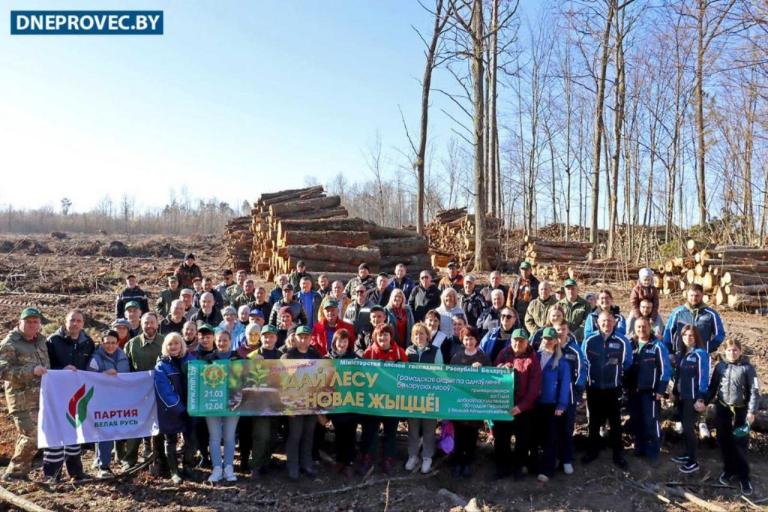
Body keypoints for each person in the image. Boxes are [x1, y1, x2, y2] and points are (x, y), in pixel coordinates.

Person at [44, 309, 95, 481]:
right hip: (56, 393)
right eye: (72, 320)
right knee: (55, 431)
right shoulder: (53, 341)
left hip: (77, 394)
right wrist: (61, 370)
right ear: (65, 322)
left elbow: (90, 367)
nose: (75, 323)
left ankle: (76, 472)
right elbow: (46, 366)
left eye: (79, 321)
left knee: (74, 429)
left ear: (83, 323)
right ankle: (52, 474)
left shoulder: (88, 342)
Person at [0, 308, 50, 481]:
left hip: (41, 397)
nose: (32, 325)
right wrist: (31, 371)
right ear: (20, 322)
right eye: (28, 322)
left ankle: (21, 470)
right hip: (21, 399)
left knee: (34, 435)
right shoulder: (10, 343)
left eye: (36, 322)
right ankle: (14, 472)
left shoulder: (41, 341)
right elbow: (3, 370)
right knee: (32, 435)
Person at [707, 339, 759, 496]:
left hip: (741, 411)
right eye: (729, 350)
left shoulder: (747, 368)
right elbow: (713, 387)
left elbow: (754, 391)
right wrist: (704, 401)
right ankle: (728, 470)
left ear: (740, 351)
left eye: (735, 350)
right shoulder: (720, 366)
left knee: (740, 444)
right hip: (723, 408)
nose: (732, 353)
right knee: (724, 441)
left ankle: (744, 477)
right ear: (725, 351)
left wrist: (751, 411)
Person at [581, 311, 632, 469]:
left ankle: (618, 454)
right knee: (594, 421)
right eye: (603, 321)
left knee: (615, 422)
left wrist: (616, 376)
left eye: (609, 321)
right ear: (597, 323)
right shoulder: (590, 340)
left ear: (614, 322)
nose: (606, 324)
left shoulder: (622, 341)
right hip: (594, 388)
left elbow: (627, 362)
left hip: (613, 388)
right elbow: (583, 362)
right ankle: (592, 451)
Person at [492, 329, 542, 480]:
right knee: (501, 438)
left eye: (521, 341)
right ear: (511, 340)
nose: (518, 343)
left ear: (527, 342)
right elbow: (493, 374)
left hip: (523, 408)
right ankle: (502, 466)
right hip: (503, 404)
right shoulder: (503, 353)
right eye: (515, 340)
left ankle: (518, 467)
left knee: (522, 440)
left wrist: (521, 407)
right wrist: (501, 368)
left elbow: (534, 388)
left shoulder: (532, 359)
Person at [359, 324, 407, 475]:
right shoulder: (369, 353)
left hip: (392, 401)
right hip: (373, 401)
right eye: (380, 335)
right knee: (370, 431)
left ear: (391, 336)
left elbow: (406, 376)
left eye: (386, 334)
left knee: (390, 432)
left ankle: (388, 460)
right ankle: (367, 458)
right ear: (375, 336)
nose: (383, 338)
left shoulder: (400, 353)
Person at [625, 317, 671, 465]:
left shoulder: (657, 346)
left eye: (644, 326)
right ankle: (639, 448)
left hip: (650, 392)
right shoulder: (630, 345)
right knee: (636, 420)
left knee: (651, 421)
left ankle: (653, 452)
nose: (641, 329)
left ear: (649, 327)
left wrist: (660, 389)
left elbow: (665, 370)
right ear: (634, 328)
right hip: (633, 391)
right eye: (638, 327)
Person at [123, 313, 165, 473]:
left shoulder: (165, 341)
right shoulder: (132, 344)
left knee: (159, 427)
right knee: (135, 424)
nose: (149, 326)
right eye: (146, 323)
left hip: (160, 391)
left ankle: (159, 459)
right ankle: (130, 459)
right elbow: (125, 368)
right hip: (138, 392)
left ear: (157, 324)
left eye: (152, 322)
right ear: (141, 324)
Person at [154, 332, 196, 484]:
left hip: (192, 407)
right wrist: (180, 408)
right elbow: (164, 391)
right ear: (165, 346)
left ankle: (188, 467)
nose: (173, 346)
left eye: (176, 343)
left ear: (181, 344)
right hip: (171, 409)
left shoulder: (192, 361)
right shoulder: (161, 366)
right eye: (170, 344)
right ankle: (174, 471)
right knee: (171, 440)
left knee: (191, 439)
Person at [88, 330, 131, 479]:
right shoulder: (95, 358)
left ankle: (110, 458)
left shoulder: (123, 356)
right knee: (105, 431)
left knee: (117, 429)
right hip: (101, 400)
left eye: (113, 343)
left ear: (118, 343)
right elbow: (87, 377)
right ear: (102, 343)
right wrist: (103, 375)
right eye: (107, 343)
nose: (110, 346)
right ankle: (103, 466)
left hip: (120, 399)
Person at [449, 327, 490, 477]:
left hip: (475, 404)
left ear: (476, 340)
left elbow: (491, 380)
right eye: (466, 339)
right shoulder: (456, 357)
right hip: (459, 403)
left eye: (471, 338)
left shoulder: (483, 358)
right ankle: (457, 462)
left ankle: (468, 463)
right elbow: (451, 378)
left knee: (471, 435)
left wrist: (482, 371)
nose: (469, 342)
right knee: (459, 434)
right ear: (462, 340)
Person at [281, 326, 321, 480]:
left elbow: (322, 377)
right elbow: (282, 382)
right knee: (295, 435)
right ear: (295, 338)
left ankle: (306, 464)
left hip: (311, 401)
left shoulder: (315, 355)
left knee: (309, 434)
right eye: (300, 337)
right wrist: (288, 405)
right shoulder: (288, 356)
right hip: (294, 403)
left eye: (306, 337)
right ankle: (293, 466)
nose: (303, 340)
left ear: (310, 339)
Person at [532, 327, 570, 482]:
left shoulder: (561, 361)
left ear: (556, 341)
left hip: (551, 404)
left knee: (551, 437)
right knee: (535, 435)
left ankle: (547, 469)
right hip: (535, 403)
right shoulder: (536, 356)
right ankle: (534, 465)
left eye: (551, 339)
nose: (548, 341)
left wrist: (561, 405)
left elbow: (565, 384)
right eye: (545, 338)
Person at [671, 325, 709, 474]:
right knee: (685, 428)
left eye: (691, 335)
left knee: (688, 428)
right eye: (685, 335)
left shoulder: (700, 354)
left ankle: (693, 462)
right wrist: (675, 391)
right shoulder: (682, 354)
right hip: (682, 396)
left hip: (692, 397)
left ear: (696, 337)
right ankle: (687, 454)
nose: (688, 338)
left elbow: (704, 377)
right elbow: (678, 376)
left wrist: (700, 398)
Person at [203, 330, 241, 482]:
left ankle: (229, 467)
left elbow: (246, 376)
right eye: (219, 340)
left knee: (230, 436)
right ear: (214, 341)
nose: (222, 343)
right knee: (214, 436)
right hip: (212, 402)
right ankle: (217, 468)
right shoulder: (208, 359)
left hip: (233, 403)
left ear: (230, 341)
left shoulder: (238, 358)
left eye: (225, 340)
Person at [405, 323, 441, 474]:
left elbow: (440, 374)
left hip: (430, 395)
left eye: (422, 333)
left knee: (429, 428)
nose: (419, 337)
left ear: (427, 335)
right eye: (416, 334)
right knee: (413, 428)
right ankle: (413, 455)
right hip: (412, 397)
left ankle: (427, 457)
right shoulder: (408, 351)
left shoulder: (435, 351)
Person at [554, 322, 588, 475]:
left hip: (569, 397)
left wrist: (577, 391)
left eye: (563, 329)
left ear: (567, 331)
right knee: (554, 429)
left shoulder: (574, 349)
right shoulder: (550, 348)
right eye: (557, 329)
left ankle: (567, 459)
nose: (560, 332)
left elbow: (582, 370)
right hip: (552, 397)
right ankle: (555, 457)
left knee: (567, 428)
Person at [325, 330, 359, 477]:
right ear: (334, 342)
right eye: (340, 341)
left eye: (345, 341)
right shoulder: (327, 359)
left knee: (350, 433)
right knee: (339, 433)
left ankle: (349, 462)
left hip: (351, 403)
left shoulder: (355, 359)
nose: (342, 344)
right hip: (334, 403)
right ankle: (339, 460)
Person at [664, 283, 725, 355]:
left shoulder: (711, 314)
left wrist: (708, 347)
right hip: (680, 354)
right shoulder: (678, 312)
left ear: (702, 295)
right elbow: (668, 332)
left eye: (697, 295)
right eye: (691, 295)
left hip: (701, 354)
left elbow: (720, 334)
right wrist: (669, 352)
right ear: (687, 295)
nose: (694, 298)